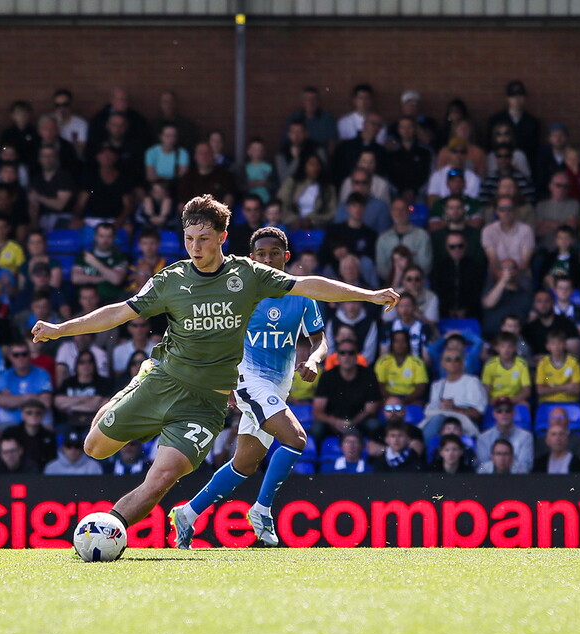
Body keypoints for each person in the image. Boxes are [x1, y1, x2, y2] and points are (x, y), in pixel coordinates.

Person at [31, 195, 399, 534]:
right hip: (162, 380)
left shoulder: (248, 275)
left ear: (223, 237)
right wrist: (62, 329)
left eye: (204, 238)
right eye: (189, 239)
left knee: (162, 478)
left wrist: (368, 295)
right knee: (94, 448)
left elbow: (309, 285)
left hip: (206, 402)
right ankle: (133, 386)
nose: (195, 247)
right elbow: (120, 312)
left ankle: (107, 533)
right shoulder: (171, 279)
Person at [174, 227, 327, 547]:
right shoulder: (241, 293)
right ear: (251, 258)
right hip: (247, 379)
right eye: (261, 254)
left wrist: (313, 359)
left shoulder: (302, 295)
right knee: (296, 439)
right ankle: (262, 509)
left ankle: (188, 513)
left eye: (274, 253)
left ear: (286, 257)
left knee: (244, 463)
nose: (268, 259)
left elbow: (319, 339)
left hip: (278, 385)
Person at [312, 339, 381, 440]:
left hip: (359, 421)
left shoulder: (368, 375)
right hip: (333, 423)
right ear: (337, 356)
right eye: (342, 353)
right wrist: (335, 422)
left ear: (356, 356)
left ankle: (373, 454)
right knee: (316, 429)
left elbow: (371, 409)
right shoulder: (327, 376)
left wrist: (352, 423)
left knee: (374, 425)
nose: (347, 357)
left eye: (351, 353)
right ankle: (311, 456)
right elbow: (317, 411)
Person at [422, 348, 486, 439]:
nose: (453, 363)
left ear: (462, 363)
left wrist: (454, 408)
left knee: (438, 419)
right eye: (448, 360)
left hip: (463, 425)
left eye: (457, 359)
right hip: (439, 424)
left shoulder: (472, 382)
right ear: (443, 363)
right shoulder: (437, 385)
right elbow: (430, 411)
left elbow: (478, 413)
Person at [475, 397, 533, 469]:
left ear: (513, 413)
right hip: (489, 478)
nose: (504, 413)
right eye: (499, 411)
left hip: (517, 479)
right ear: (494, 414)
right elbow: (482, 466)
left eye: (508, 410)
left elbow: (526, 466)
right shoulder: (483, 438)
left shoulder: (526, 437)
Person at [374, 329, 428, 405]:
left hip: (410, 398)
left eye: (403, 341)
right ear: (392, 343)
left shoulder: (417, 362)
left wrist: (404, 401)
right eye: (396, 341)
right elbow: (379, 385)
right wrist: (393, 400)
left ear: (408, 343)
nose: (400, 344)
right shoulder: (383, 361)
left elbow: (420, 387)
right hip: (388, 397)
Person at [481, 332, 530, 406]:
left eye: (509, 346)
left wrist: (508, 401)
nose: (506, 350)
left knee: (525, 405)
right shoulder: (489, 364)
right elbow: (486, 391)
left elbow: (526, 391)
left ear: (515, 348)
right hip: (495, 401)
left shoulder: (522, 364)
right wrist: (493, 402)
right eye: (502, 346)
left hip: (514, 400)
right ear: (497, 348)